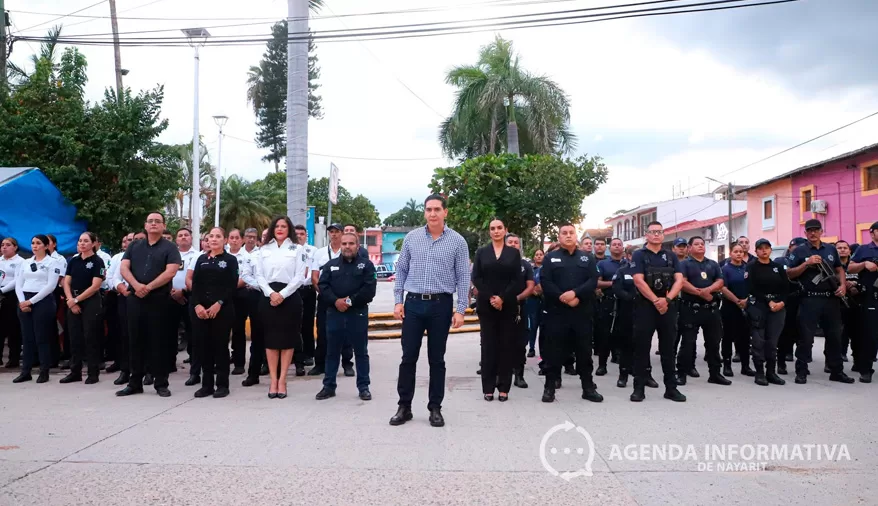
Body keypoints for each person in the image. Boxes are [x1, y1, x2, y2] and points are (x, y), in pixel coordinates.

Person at [390, 194, 470, 428]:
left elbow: (463, 277)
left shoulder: (457, 241)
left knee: (437, 359)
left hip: (440, 305)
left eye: (437, 209)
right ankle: (404, 406)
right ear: (424, 212)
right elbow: (401, 270)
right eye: (429, 209)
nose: (432, 213)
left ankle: (435, 408)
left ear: (445, 212)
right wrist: (398, 301)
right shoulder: (412, 238)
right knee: (408, 357)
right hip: (413, 304)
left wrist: (461, 310)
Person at [117, 212, 182, 397]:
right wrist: (137, 286)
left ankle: (160, 383)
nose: (153, 224)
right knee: (135, 340)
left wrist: (149, 287)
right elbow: (124, 267)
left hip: (158, 300)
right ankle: (134, 382)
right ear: (145, 225)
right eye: (150, 221)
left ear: (163, 226)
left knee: (158, 341)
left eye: (157, 221)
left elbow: (171, 272)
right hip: (135, 299)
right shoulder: (134, 246)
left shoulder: (170, 248)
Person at [540, 223, 604, 404]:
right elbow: (545, 281)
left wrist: (576, 295)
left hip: (581, 312)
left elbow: (593, 280)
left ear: (576, 236)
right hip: (557, 313)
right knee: (553, 352)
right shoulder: (550, 257)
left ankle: (588, 388)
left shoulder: (587, 258)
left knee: (584, 352)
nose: (568, 235)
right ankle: (549, 388)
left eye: (571, 233)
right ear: (559, 237)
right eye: (564, 233)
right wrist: (563, 297)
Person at [786, 219, 853, 385]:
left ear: (821, 231)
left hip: (830, 298)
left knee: (834, 336)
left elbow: (839, 268)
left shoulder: (830, 249)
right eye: (810, 230)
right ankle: (801, 371)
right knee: (806, 337)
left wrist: (842, 285)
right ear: (805, 233)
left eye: (816, 230)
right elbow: (789, 273)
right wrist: (806, 264)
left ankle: (836, 371)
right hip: (810, 298)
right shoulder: (799, 251)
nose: (813, 233)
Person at [315, 232, 377, 401]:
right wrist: (335, 301)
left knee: (361, 352)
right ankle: (328, 386)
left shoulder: (367, 266)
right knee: (332, 351)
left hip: (357, 313)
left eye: (351, 243)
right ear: (340, 246)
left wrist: (349, 301)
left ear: (358, 246)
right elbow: (323, 286)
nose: (347, 247)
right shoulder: (330, 265)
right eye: (344, 244)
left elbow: (369, 290)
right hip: (334, 313)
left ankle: (364, 387)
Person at [629, 221, 685, 402]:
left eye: (659, 232)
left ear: (663, 235)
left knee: (668, 349)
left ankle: (671, 389)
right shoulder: (639, 255)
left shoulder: (671, 256)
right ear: (646, 234)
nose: (656, 235)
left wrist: (666, 300)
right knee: (641, 348)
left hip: (667, 306)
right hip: (646, 306)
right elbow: (638, 280)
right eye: (652, 232)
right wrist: (655, 300)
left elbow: (679, 280)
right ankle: (639, 389)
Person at [253, 216, 308, 399]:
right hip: (268, 297)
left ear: (289, 229)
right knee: (271, 341)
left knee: (287, 341)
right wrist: (271, 294)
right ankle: (273, 380)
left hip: (289, 297)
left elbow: (299, 276)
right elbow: (259, 275)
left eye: (284, 226)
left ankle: (283, 380)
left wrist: (282, 295)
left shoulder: (298, 249)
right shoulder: (263, 249)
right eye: (277, 226)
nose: (280, 229)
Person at [471, 220, 522, 402]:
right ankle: (488, 388)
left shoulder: (513, 253)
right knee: (488, 347)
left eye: (500, 228)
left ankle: (504, 387)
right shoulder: (482, 252)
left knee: (506, 346)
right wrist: (491, 297)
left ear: (505, 230)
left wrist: (502, 298)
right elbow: (476, 277)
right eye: (492, 228)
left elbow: (517, 280)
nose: (496, 231)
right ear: (489, 232)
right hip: (486, 305)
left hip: (507, 305)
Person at [189, 227, 239, 399]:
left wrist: (219, 303)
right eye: (211, 236)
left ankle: (222, 385)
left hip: (222, 310)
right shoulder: (201, 259)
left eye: (218, 236)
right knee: (204, 347)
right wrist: (197, 305)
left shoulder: (230, 260)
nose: (214, 239)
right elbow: (195, 285)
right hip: (202, 311)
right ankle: (207, 385)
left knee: (220, 347)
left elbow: (231, 285)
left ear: (225, 240)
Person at [676, 237, 728, 387]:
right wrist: (700, 293)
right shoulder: (684, 264)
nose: (700, 246)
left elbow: (720, 281)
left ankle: (715, 374)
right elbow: (682, 282)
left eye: (702, 244)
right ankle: (681, 373)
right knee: (687, 343)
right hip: (690, 309)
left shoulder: (713, 264)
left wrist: (708, 290)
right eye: (696, 244)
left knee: (713, 343)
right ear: (689, 248)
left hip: (711, 309)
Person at [13, 235, 60, 384]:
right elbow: (18, 284)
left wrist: (31, 302)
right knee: (27, 338)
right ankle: (25, 371)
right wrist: (22, 301)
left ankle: (44, 371)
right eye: (33, 243)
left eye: (38, 243)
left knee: (42, 337)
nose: (34, 246)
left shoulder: (52, 262)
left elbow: (50, 286)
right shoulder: (25, 262)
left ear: (46, 246)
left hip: (42, 300)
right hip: (25, 299)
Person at [60, 232, 106, 384]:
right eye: (80, 241)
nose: (82, 243)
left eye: (86, 241)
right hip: (73, 300)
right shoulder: (74, 260)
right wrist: (70, 300)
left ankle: (93, 373)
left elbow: (95, 286)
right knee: (74, 337)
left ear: (93, 244)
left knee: (90, 337)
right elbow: (66, 282)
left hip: (90, 301)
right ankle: (75, 372)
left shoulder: (98, 261)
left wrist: (76, 300)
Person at [309, 223, 354, 377]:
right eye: (331, 232)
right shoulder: (320, 253)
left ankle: (347, 364)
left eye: (337, 232)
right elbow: (315, 277)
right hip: (325, 298)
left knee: (346, 331)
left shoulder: (348, 251)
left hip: (345, 298)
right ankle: (320, 364)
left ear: (342, 233)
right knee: (322, 331)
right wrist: (328, 296)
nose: (334, 234)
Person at [745, 239, 789, 386]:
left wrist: (782, 302)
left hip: (777, 307)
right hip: (759, 306)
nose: (764, 250)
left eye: (767, 248)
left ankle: (771, 372)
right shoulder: (751, 267)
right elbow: (751, 287)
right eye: (760, 248)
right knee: (758, 342)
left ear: (770, 250)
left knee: (772, 342)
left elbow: (786, 287)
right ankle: (759, 373)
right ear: (756, 251)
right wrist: (768, 301)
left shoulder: (777, 267)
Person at [848, 221, 878, 383]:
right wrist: (864, 264)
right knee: (870, 335)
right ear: (872, 233)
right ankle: (866, 369)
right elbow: (850, 268)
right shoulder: (864, 250)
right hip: (871, 296)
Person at [227, 229, 258, 376]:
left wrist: (229, 287)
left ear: (241, 240)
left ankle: (239, 363)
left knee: (238, 329)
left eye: (236, 238)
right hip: (224, 296)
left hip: (241, 295)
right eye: (231, 238)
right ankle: (227, 358)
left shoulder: (247, 256)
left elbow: (245, 276)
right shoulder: (223, 254)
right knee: (225, 330)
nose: (234, 240)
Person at [720, 244, 754, 378]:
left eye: (741, 251)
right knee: (728, 337)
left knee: (745, 338)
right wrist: (737, 301)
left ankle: (745, 366)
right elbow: (723, 287)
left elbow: (753, 286)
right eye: (736, 251)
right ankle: (727, 366)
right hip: (730, 306)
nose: (739, 254)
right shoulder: (725, 269)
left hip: (746, 306)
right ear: (731, 253)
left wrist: (746, 300)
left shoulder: (748, 268)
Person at [505, 233, 534, 389]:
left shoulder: (525, 265)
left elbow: (530, 286)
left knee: (520, 343)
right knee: (501, 342)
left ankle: (519, 375)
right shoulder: (497, 263)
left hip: (519, 308)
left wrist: (517, 298)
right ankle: (502, 375)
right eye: (510, 242)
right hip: (500, 308)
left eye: (516, 242)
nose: (513, 244)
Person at [774, 237, 806, 374]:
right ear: (790, 247)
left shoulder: (806, 261)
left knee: (803, 334)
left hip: (804, 300)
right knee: (785, 333)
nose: (799, 250)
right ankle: (781, 362)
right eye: (796, 247)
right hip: (787, 300)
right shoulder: (781, 261)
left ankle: (802, 364)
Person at [104, 233, 134, 376]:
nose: (128, 242)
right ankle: (120, 362)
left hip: (139, 295)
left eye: (132, 240)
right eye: (126, 240)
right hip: (118, 295)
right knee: (118, 331)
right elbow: (110, 276)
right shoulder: (117, 257)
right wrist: (119, 288)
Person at [172, 228, 198, 386]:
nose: (183, 237)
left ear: (191, 238)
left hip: (189, 297)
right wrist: (172, 292)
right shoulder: (170, 254)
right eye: (180, 235)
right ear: (176, 239)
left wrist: (183, 291)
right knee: (169, 332)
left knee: (192, 332)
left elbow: (195, 278)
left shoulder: (197, 255)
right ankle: (169, 363)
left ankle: (194, 367)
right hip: (169, 297)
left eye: (186, 235)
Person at [595, 238, 624, 375]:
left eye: (619, 245)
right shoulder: (602, 264)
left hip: (625, 303)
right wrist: (613, 283)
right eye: (614, 245)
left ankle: (625, 365)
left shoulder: (628, 264)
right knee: (605, 335)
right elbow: (597, 283)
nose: (617, 247)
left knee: (624, 335)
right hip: (608, 302)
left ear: (623, 248)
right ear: (610, 248)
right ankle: (602, 365)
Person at [611, 245, 638, 388]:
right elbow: (617, 289)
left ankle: (645, 375)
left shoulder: (646, 270)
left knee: (642, 345)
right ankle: (623, 375)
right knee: (626, 344)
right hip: (627, 311)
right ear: (629, 256)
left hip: (644, 311)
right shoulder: (622, 271)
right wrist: (631, 298)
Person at [294, 224, 318, 373]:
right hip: (293, 290)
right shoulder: (290, 250)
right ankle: (295, 354)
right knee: (294, 324)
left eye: (302, 234)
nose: (299, 236)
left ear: (306, 236)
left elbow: (314, 270)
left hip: (308, 289)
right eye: (296, 234)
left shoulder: (313, 251)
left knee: (307, 323)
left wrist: (303, 279)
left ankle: (309, 354)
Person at [836, 240, 863, 365]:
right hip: (838, 303)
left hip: (856, 302)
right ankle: (840, 354)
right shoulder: (832, 266)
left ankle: (857, 360)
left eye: (845, 248)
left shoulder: (855, 265)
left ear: (849, 250)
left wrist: (856, 284)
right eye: (839, 248)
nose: (842, 250)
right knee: (840, 332)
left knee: (857, 332)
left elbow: (865, 280)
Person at [0, 238, 24, 369]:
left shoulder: (20, 261)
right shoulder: (0, 260)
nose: (4, 247)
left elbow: (17, 279)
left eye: (8, 245)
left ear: (15, 247)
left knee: (12, 327)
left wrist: (2, 290)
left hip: (12, 294)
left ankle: (13, 358)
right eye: (2, 245)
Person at [525, 249, 544, 358]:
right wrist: (533, 290)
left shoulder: (546, 269)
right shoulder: (531, 270)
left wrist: (540, 289)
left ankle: (543, 351)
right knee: (533, 326)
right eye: (537, 255)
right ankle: (531, 348)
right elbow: (527, 284)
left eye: (541, 254)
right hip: (532, 301)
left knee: (543, 327)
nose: (539, 256)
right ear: (534, 257)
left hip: (544, 300)